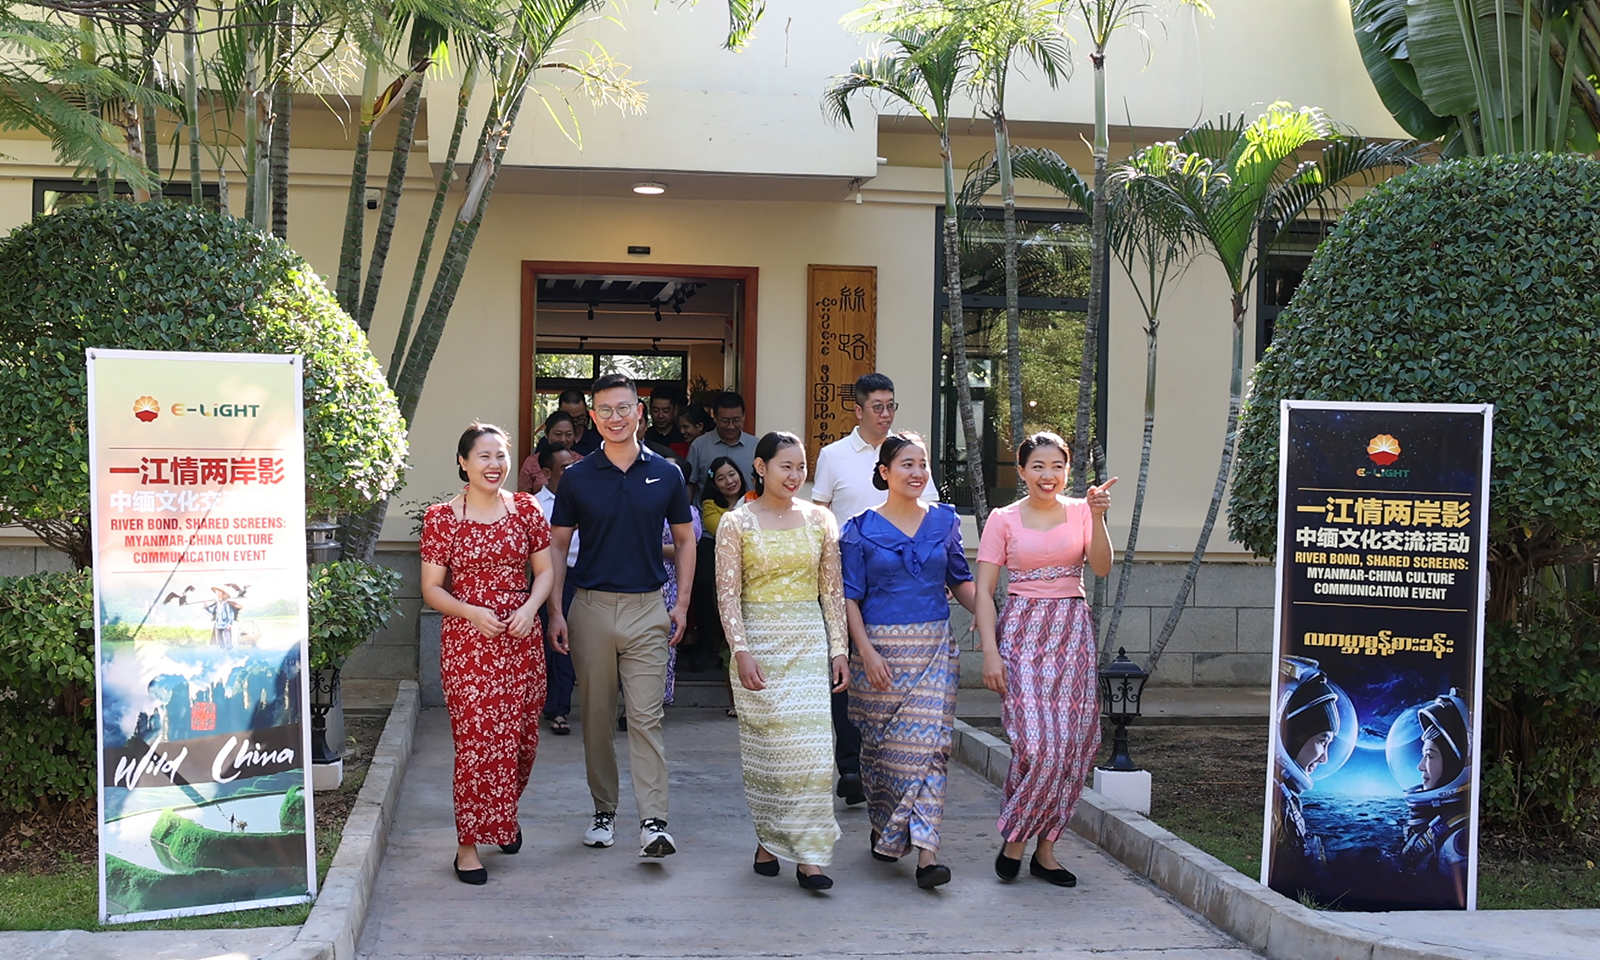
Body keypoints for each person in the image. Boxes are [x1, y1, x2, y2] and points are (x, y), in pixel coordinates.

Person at [548, 373, 695, 858]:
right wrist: (556, 610)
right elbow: (558, 545)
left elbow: (686, 540)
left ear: (639, 412)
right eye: (606, 410)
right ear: (593, 417)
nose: (616, 418)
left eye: (624, 408)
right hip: (590, 607)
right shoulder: (577, 477)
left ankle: (654, 823)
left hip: (648, 608)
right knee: (594, 716)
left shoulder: (667, 473)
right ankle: (603, 812)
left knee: (646, 717)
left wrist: (681, 603)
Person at [974, 431, 1114, 888]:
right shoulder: (1002, 519)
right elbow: (983, 592)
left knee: (1072, 748)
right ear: (1021, 471)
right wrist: (990, 652)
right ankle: (1017, 837)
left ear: (1067, 470)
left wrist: (1098, 517)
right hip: (1021, 635)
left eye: (1057, 466)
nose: (1047, 475)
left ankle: (1045, 852)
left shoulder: (1082, 511)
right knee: (1037, 748)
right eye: (1038, 466)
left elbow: (1101, 567)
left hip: (1072, 633)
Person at [419, 423, 555, 885]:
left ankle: (502, 816)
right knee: (478, 744)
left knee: (520, 741)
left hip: (521, 640)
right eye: (483, 456)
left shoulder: (526, 509)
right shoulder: (442, 518)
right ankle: (468, 845)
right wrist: (471, 612)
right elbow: (432, 589)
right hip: (469, 645)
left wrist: (530, 608)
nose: (494, 464)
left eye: (500, 455)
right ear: (463, 462)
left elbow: (544, 572)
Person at [841, 433, 976, 889]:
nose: (917, 472)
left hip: (935, 647)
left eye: (923, 464)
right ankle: (885, 821)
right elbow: (850, 597)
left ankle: (927, 855)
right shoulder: (859, 529)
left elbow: (960, 580)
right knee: (883, 754)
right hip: (880, 653)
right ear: (884, 472)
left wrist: (992, 618)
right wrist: (865, 651)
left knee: (931, 750)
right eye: (907, 464)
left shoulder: (945, 521)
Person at [714, 431, 848, 891]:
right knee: (771, 756)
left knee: (812, 755)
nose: (794, 475)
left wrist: (839, 649)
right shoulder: (736, 523)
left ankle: (810, 858)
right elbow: (727, 596)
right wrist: (740, 650)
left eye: (800, 467)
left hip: (808, 645)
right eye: (785, 466)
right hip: (759, 648)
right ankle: (768, 841)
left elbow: (832, 591)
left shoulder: (821, 519)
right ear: (761, 467)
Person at [812, 373, 940, 808]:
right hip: (848, 580)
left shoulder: (909, 454)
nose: (886, 414)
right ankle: (851, 765)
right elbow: (820, 517)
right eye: (877, 406)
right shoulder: (833, 456)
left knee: (891, 677)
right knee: (847, 668)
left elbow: (930, 511)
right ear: (858, 409)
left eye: (891, 406)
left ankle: (887, 763)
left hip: (901, 582)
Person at [1269, 657, 1341, 895]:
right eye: (1322, 740)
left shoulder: (1283, 799)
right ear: (1293, 735)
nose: (1324, 758)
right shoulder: (1273, 805)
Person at [535, 446, 582, 735]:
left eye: (573, 464)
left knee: (569, 644)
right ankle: (549, 704)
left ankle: (561, 709)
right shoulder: (536, 505)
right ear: (546, 472)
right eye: (564, 467)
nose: (571, 471)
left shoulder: (585, 498)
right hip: (546, 579)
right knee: (548, 645)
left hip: (582, 576)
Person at [685, 457, 747, 676]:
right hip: (717, 551)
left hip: (748, 557)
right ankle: (707, 644)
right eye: (721, 478)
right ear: (714, 484)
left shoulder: (754, 498)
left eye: (732, 474)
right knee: (704, 582)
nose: (729, 481)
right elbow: (720, 530)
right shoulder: (710, 504)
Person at [686, 391, 757, 501]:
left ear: (743, 416)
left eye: (736, 420)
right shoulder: (699, 445)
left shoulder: (755, 445)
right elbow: (690, 483)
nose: (731, 426)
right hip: (706, 511)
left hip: (746, 510)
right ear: (714, 417)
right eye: (725, 421)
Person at [520, 410, 578, 494]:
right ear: (547, 434)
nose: (563, 439)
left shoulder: (582, 461)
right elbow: (523, 496)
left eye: (569, 434)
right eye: (558, 434)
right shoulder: (531, 463)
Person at [647, 384, 690, 457]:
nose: (660, 416)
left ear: (675, 410)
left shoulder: (683, 437)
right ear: (650, 410)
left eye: (665, 411)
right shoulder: (645, 437)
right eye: (656, 410)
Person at [558, 388, 603, 456]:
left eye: (580, 418)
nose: (574, 424)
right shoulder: (548, 442)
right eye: (569, 419)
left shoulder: (598, 442)